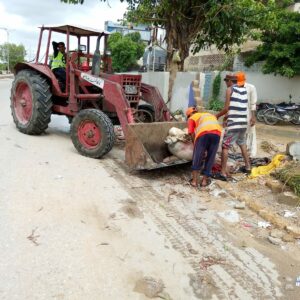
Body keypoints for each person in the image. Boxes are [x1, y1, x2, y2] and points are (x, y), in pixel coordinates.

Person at [215, 72, 255, 181]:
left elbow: (226, 108)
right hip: (243, 123)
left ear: (229, 81)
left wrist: (217, 115)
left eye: (226, 81)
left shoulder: (230, 90)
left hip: (234, 124)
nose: (226, 84)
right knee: (242, 144)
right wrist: (226, 118)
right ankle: (247, 167)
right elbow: (236, 107)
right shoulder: (244, 90)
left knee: (225, 147)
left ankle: (222, 173)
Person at [186, 107, 222, 187]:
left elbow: (191, 133)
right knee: (211, 157)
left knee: (197, 156)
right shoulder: (207, 114)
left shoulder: (191, 118)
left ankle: (194, 181)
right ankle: (204, 181)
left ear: (189, 115)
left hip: (204, 133)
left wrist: (195, 144)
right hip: (217, 133)